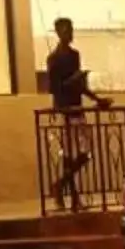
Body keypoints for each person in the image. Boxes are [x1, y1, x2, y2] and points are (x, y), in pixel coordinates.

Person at [43, 17, 96, 207]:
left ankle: (61, 185)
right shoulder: (53, 59)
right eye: (67, 30)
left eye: (72, 29)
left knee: (85, 153)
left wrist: (97, 99)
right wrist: (72, 81)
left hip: (76, 108)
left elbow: (81, 85)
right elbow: (52, 87)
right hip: (65, 110)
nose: (71, 33)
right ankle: (71, 196)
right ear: (58, 32)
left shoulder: (74, 55)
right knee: (69, 155)